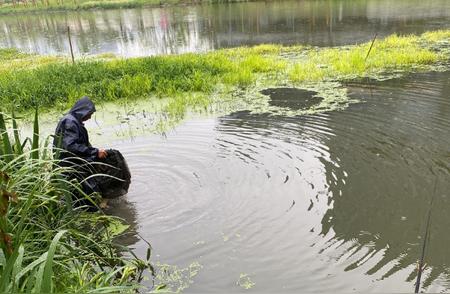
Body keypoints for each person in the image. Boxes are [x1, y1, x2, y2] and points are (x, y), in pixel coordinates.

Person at [53, 96, 108, 201]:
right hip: (68, 166)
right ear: (83, 111)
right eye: (90, 114)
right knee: (84, 192)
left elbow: (79, 144)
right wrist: (95, 152)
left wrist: (93, 151)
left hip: (72, 164)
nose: (90, 117)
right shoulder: (70, 122)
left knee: (79, 192)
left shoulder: (72, 121)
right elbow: (71, 146)